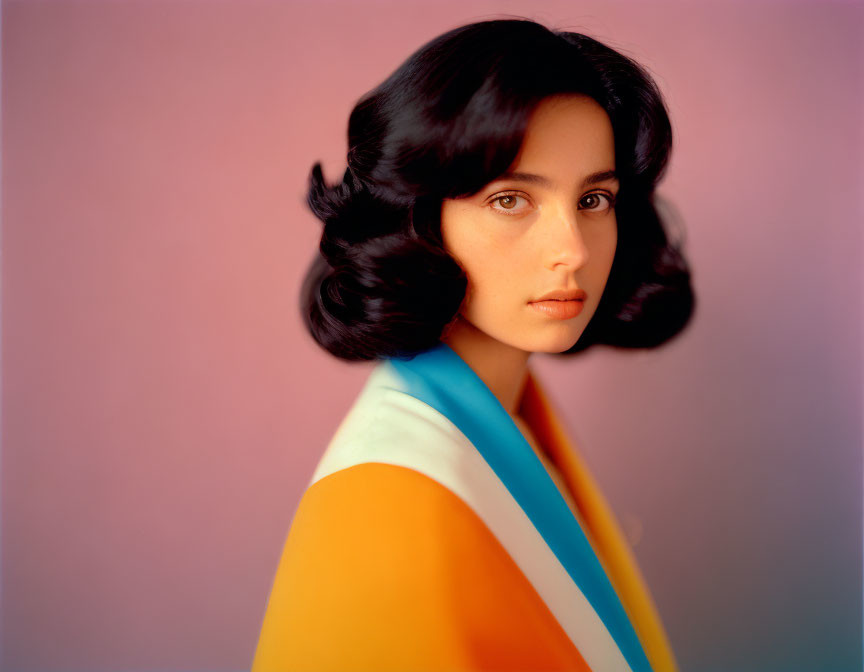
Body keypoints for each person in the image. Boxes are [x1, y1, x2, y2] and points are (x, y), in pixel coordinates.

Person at [252, 17, 694, 672]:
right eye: (512, 200)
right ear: (420, 216)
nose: (571, 250)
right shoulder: (387, 507)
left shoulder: (511, 421)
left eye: (594, 199)